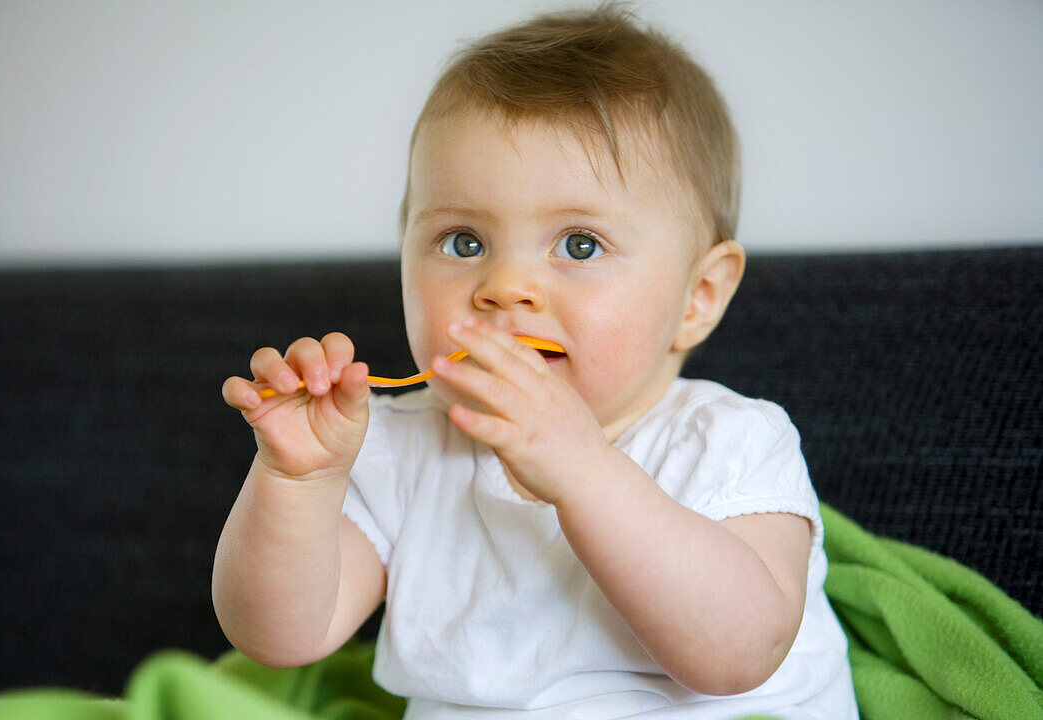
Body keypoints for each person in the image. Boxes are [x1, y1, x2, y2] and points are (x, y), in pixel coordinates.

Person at [213, 5, 858, 718]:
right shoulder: (399, 446)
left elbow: (739, 654)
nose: (504, 288)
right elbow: (280, 637)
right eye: (463, 242)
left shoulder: (729, 443)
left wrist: (582, 470)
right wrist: (297, 480)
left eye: (578, 245)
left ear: (697, 297)